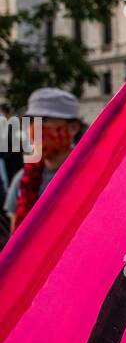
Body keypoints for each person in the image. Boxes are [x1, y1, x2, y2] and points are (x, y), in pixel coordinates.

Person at [3, 88, 83, 234]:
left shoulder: (93, 175)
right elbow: (14, 242)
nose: (34, 129)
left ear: (73, 128)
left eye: (44, 120)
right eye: (31, 121)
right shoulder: (23, 180)